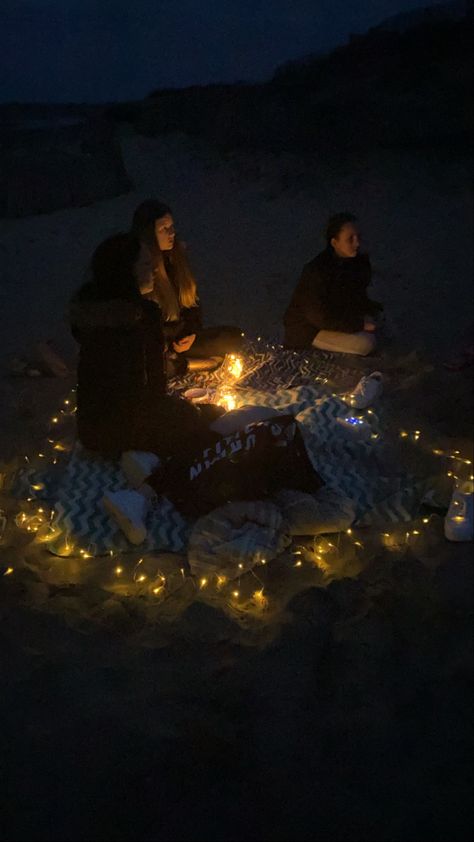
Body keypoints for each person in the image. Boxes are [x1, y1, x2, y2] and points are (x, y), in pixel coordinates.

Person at [70, 233, 321, 545]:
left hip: (91, 428)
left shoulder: (89, 311)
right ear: (127, 270)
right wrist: (184, 411)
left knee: (195, 418)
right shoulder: (142, 314)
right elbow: (153, 393)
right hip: (125, 421)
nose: (153, 270)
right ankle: (142, 495)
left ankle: (141, 460)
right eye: (146, 264)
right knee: (206, 432)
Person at [130, 199, 243, 373]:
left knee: (232, 337)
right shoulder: (142, 268)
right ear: (148, 233)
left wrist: (190, 333)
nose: (172, 233)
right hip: (157, 346)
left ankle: (182, 364)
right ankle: (179, 366)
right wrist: (169, 345)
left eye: (172, 226)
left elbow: (193, 307)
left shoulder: (176, 260)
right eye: (163, 229)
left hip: (180, 341)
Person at [283, 213, 383, 355]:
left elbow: (356, 296)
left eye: (358, 237)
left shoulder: (356, 264)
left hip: (334, 320)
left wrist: (371, 309)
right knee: (366, 344)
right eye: (350, 239)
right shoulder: (317, 271)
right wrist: (359, 325)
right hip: (309, 329)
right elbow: (320, 317)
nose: (357, 243)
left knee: (380, 329)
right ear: (335, 243)